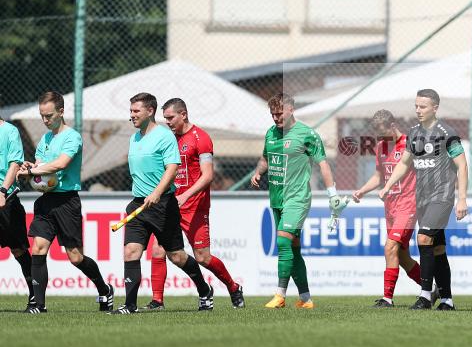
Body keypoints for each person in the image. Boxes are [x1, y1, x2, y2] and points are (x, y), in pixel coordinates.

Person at [109, 92, 213, 314]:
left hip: (162, 205)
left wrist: (157, 192)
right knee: (131, 252)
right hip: (138, 204)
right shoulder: (134, 138)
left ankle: (204, 290)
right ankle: (129, 305)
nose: (132, 116)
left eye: (136, 111)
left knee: (176, 256)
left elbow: (172, 168)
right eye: (131, 111)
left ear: (150, 111)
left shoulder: (165, 136)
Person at [143, 98, 244, 311]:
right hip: (170, 205)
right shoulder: (168, 139)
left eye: (171, 118)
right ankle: (157, 301)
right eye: (165, 118)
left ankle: (233, 287)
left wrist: (185, 195)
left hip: (194, 207)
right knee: (158, 252)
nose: (167, 122)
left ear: (184, 114)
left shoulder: (201, 138)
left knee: (203, 258)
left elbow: (207, 176)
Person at [18, 91, 113, 313]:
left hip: (66, 201)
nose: (45, 120)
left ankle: (104, 289)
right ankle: (38, 306)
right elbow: (41, 168)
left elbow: (60, 164)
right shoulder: (45, 138)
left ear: (61, 112)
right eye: (42, 115)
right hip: (46, 201)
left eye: (49, 115)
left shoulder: (72, 137)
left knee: (75, 257)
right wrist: (29, 169)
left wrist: (33, 170)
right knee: (39, 248)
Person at [379, 89, 468, 310]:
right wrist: (388, 186)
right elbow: (404, 163)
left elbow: (462, 165)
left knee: (423, 239)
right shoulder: (413, 133)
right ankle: (446, 299)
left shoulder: (447, 132)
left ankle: (425, 295)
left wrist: (462, 199)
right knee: (437, 248)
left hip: (442, 196)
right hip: (422, 199)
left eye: (423, 106)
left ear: (435, 108)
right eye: (416, 106)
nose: (418, 110)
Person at [252, 93, 342, 309]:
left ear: (291, 109)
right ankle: (305, 299)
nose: (275, 118)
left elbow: (323, 164)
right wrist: (258, 172)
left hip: (298, 198)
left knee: (282, 242)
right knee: (293, 249)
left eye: (279, 113)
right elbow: (265, 157)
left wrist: (333, 194)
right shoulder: (271, 133)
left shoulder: (307, 134)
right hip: (276, 198)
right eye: (272, 114)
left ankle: (279, 295)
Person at [353, 109, 430, 307]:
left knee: (390, 247)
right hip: (390, 208)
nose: (381, 137)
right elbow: (379, 176)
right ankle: (432, 290)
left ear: (392, 125)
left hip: (408, 205)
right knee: (402, 257)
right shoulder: (381, 146)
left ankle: (387, 298)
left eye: (383, 132)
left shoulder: (409, 144)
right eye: (378, 134)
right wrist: (362, 191)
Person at [0, 106, 34, 310]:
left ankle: (35, 296)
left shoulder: (10, 131)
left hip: (6, 198)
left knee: (18, 249)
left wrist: (3, 191)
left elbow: (15, 162)